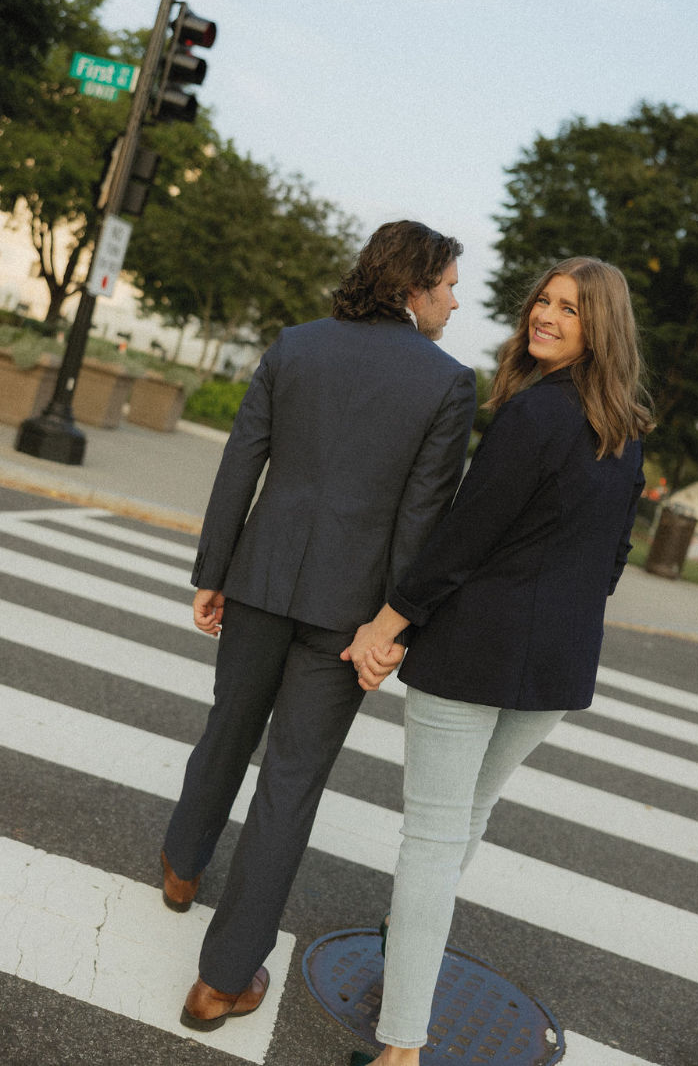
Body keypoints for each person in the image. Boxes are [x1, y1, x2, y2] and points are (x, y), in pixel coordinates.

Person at [161, 219, 476, 1031]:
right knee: (291, 784)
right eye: (448, 286)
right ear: (414, 287)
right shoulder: (447, 384)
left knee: (228, 726)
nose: (454, 301)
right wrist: (392, 629)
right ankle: (220, 981)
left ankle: (181, 866)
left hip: (260, 580)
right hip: (348, 616)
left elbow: (242, 460)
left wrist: (213, 571)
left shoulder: (296, 345)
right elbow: (421, 520)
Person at [342, 256, 655, 1066]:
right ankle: (407, 943)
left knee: (432, 840)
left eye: (570, 309)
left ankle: (401, 1047)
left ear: (601, 327)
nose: (545, 316)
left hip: (474, 652)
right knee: (464, 822)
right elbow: (612, 559)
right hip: (554, 667)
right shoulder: (626, 430)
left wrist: (387, 623)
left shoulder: (536, 413)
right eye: (543, 301)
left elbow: (464, 536)